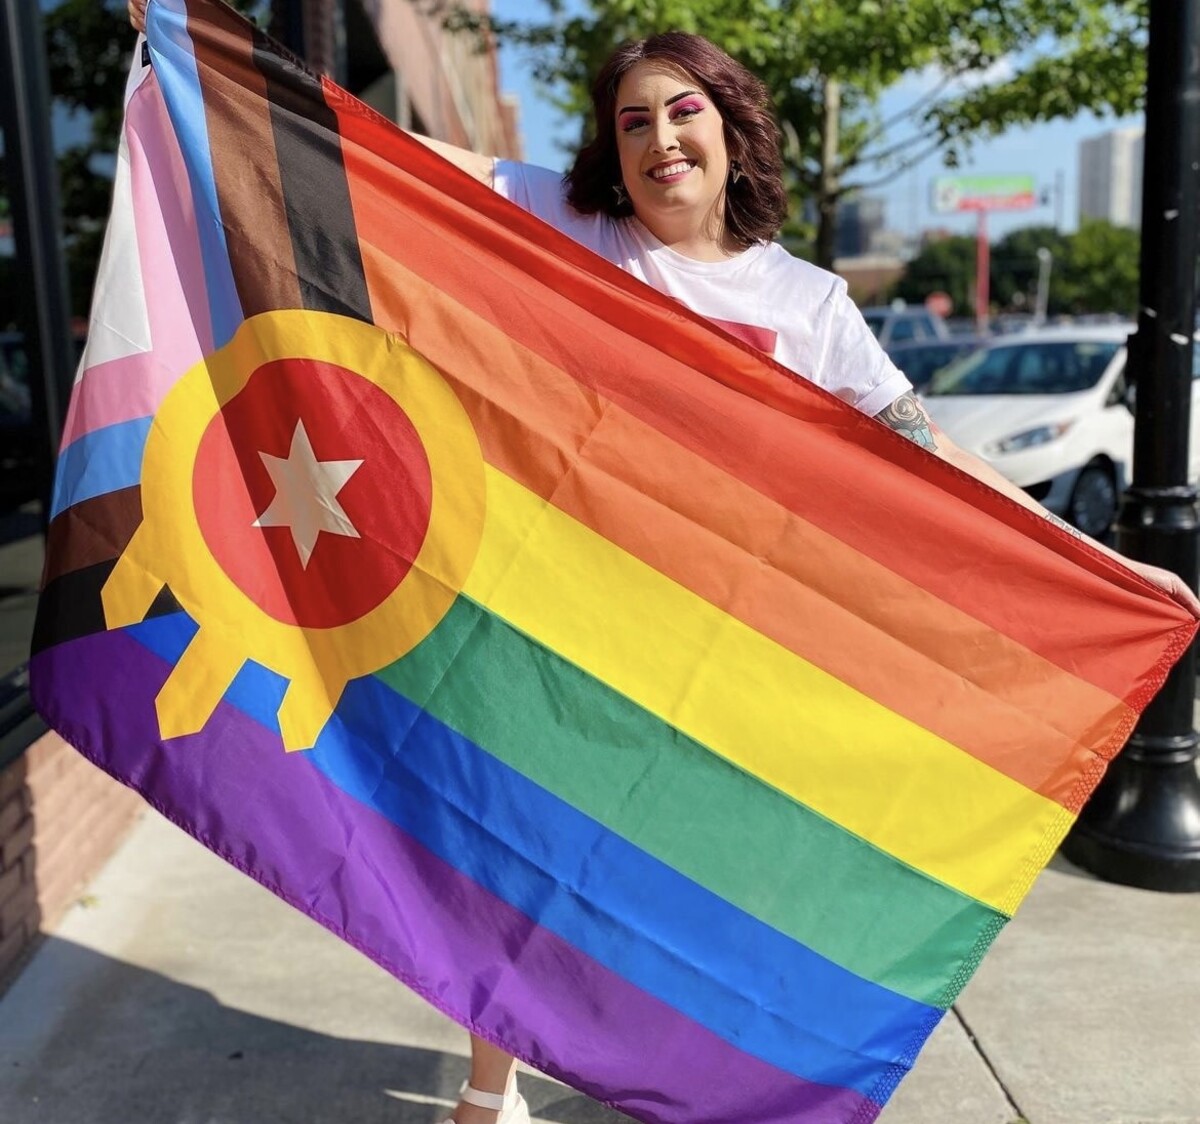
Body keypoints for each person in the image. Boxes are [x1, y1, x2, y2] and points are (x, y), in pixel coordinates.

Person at [126, 5, 1200, 1123]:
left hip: (728, 642)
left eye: (685, 111)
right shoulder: (571, 223)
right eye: (633, 120)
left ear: (731, 131)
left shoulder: (808, 305)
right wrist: (220, 64)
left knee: (701, 873)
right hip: (566, 616)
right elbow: (389, 155)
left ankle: (689, 1069)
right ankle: (491, 1090)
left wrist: (1094, 554)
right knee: (531, 847)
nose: (660, 138)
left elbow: (928, 454)